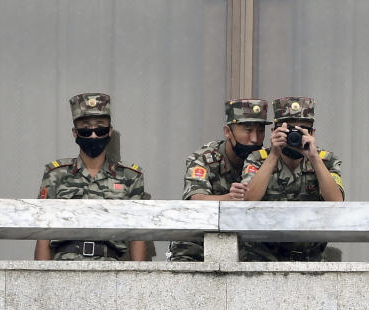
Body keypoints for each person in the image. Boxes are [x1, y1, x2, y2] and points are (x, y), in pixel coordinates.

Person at [34, 93, 150, 261]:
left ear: (109, 131)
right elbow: (43, 231)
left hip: (111, 269)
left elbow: (137, 234)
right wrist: (40, 280)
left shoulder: (130, 176)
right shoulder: (56, 174)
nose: (94, 135)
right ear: (75, 133)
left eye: (100, 128)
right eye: (86, 129)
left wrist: (138, 281)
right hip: (64, 267)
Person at [240, 96, 344, 261]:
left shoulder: (326, 160)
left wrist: (314, 158)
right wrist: (274, 154)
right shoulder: (258, 159)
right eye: (289, 130)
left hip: (311, 259)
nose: (295, 136)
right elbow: (247, 201)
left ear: (312, 133)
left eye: (302, 130)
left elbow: (337, 203)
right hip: (262, 259)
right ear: (275, 132)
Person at [167, 99, 270, 261]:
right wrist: (230, 199)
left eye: (260, 131)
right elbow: (196, 200)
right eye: (248, 130)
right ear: (228, 132)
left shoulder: (267, 161)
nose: (255, 139)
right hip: (197, 247)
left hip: (248, 249)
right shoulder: (204, 158)